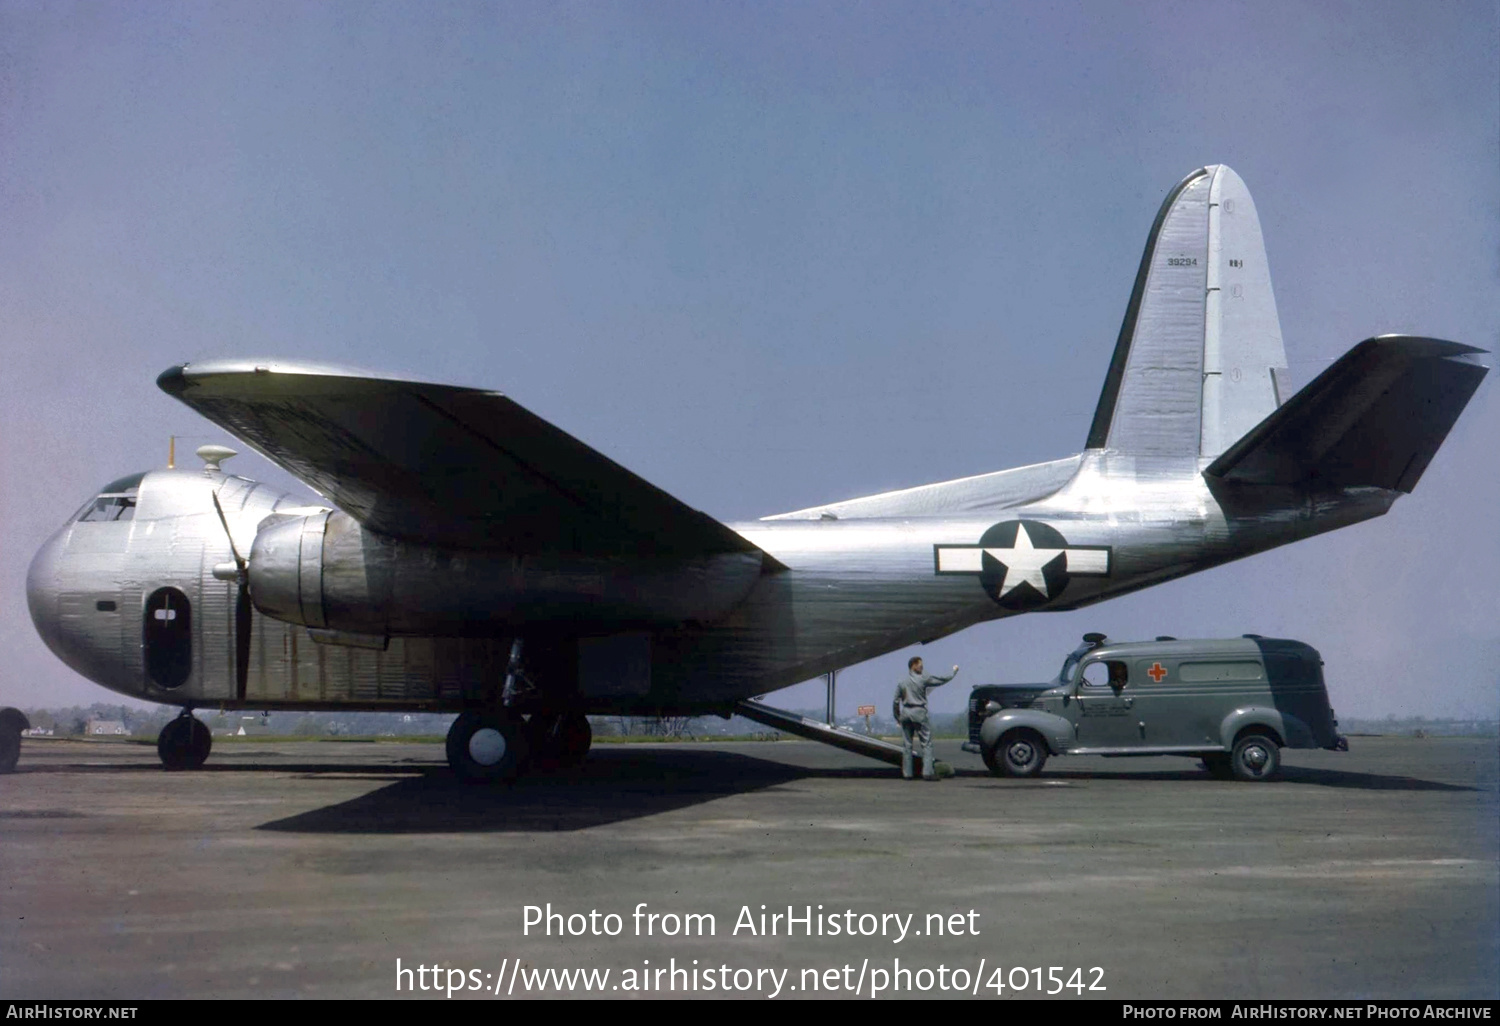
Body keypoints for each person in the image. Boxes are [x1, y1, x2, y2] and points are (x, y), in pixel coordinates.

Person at [893, 656, 958, 780]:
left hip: (906, 712)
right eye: (920, 665)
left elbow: (896, 701)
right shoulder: (923, 678)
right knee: (926, 743)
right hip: (919, 711)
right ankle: (927, 772)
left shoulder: (902, 681)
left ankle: (907, 774)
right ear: (913, 666)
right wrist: (953, 672)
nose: (922, 667)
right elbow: (940, 680)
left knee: (907, 745)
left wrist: (897, 717)